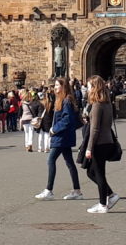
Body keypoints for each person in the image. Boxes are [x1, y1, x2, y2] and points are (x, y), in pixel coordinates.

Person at [34, 77, 84, 201]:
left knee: (51, 160)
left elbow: (67, 119)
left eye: (57, 85)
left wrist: (54, 129)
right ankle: (77, 190)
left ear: (63, 86)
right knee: (69, 163)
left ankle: (49, 190)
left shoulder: (66, 100)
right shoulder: (61, 99)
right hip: (64, 136)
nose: (55, 87)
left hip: (61, 136)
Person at [83, 75, 119, 214]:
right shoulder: (107, 103)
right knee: (92, 172)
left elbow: (95, 129)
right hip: (107, 141)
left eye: (90, 86)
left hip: (99, 143)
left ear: (95, 87)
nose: (88, 88)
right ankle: (110, 195)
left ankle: (103, 204)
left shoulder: (97, 105)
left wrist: (89, 148)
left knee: (98, 173)